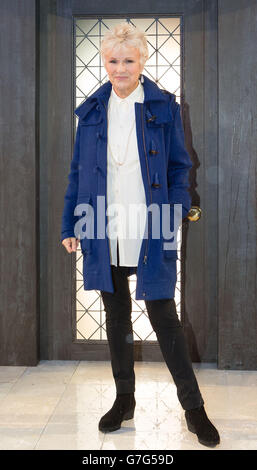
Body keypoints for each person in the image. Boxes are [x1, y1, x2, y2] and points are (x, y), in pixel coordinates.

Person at [61, 22, 220, 447]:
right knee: (116, 320)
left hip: (150, 225)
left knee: (164, 319)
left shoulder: (163, 106)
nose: (119, 69)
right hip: (102, 226)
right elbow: (77, 173)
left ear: (142, 61)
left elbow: (179, 167)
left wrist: (177, 209)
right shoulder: (92, 111)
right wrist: (69, 225)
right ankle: (124, 400)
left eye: (128, 61)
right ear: (105, 61)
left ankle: (194, 409)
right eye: (113, 60)